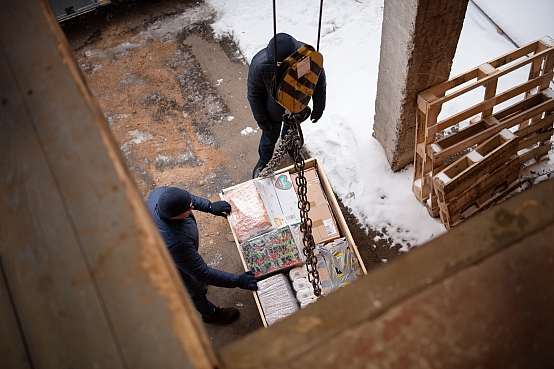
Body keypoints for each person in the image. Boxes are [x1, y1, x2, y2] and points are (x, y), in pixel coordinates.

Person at [146, 186, 258, 325]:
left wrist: (209, 206)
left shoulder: (161, 195)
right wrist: (237, 281)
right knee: (195, 288)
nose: (192, 206)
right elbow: (202, 273)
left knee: (196, 274)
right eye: (188, 208)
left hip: (179, 251)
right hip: (171, 263)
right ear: (175, 216)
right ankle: (210, 314)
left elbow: (188, 199)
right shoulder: (175, 242)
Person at [247, 32, 327, 178]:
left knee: (290, 133)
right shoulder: (259, 65)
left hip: (296, 107)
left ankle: (291, 149)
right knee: (268, 139)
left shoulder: (306, 57)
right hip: (272, 112)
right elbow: (254, 96)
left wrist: (319, 107)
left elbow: (317, 81)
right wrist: (262, 119)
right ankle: (264, 161)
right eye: (279, 65)